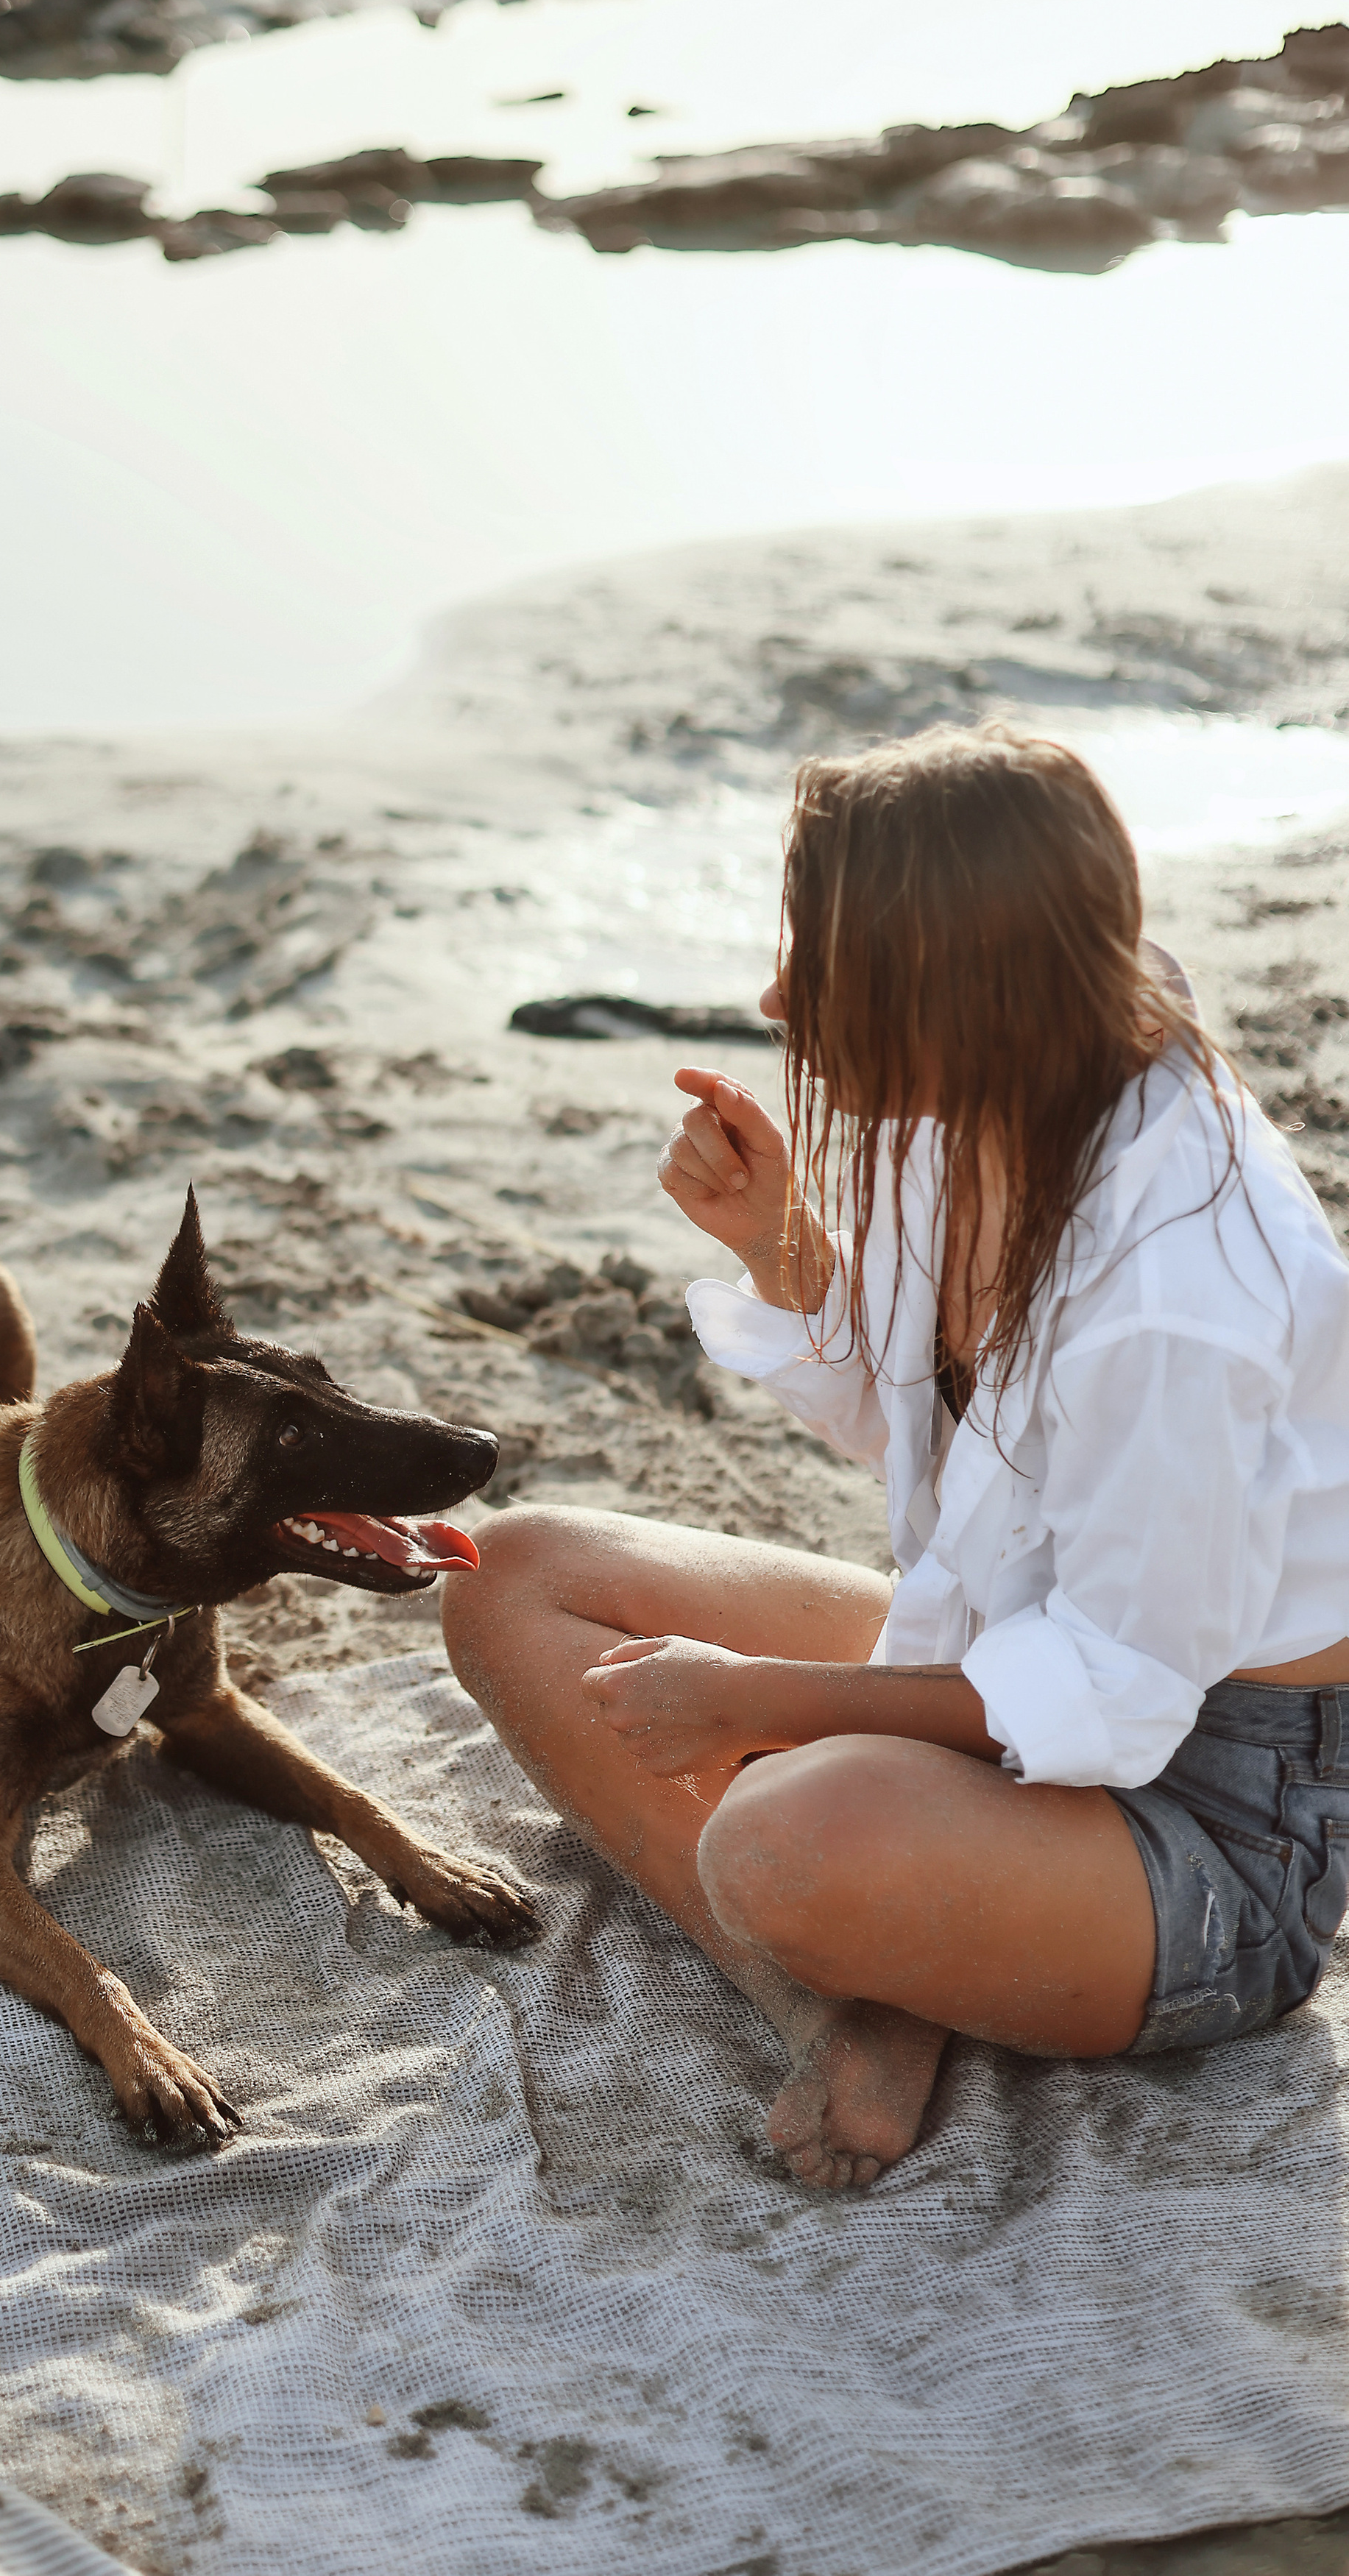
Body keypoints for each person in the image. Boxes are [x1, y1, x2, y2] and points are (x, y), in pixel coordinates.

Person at [443, 723, 1349, 2191]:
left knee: (772, 1846)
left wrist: (757, 1701)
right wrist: (781, 1248)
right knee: (511, 1578)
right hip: (1005, 1652)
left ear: (956, 989)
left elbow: (1118, 1702)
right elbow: (946, 1422)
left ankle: (876, 1943)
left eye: (824, 969)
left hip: (1201, 1819)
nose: (774, 999)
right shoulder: (1006, 1081)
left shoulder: (1180, 1296)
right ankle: (849, 1998)